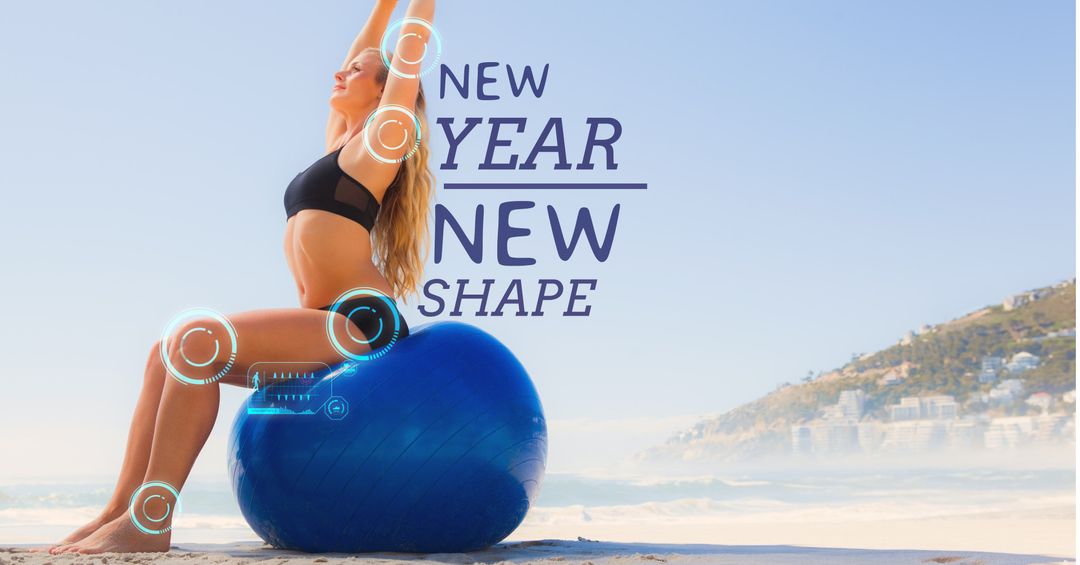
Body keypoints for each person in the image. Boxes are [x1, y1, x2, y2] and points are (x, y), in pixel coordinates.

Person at [42, 0, 435, 554]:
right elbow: (361, 53)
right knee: (164, 352)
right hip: (320, 320)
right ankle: (119, 510)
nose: (339, 71)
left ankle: (152, 523)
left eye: (355, 72)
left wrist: (413, 11)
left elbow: (409, 52)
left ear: (383, 90)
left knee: (198, 341)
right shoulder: (339, 142)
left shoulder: (382, 143)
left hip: (361, 324)